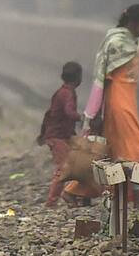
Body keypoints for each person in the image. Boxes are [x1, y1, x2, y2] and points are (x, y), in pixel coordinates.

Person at [64, 4, 139, 205]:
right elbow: (103, 78)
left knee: (111, 152)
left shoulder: (131, 41)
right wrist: (97, 110)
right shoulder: (117, 43)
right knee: (135, 148)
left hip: (128, 99)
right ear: (132, 23)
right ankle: (137, 194)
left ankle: (77, 190)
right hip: (118, 101)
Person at [37, 62, 83, 207]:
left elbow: (49, 114)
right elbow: (69, 112)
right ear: (78, 78)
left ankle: (72, 193)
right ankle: (52, 202)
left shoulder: (62, 91)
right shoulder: (67, 94)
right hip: (58, 136)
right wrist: (82, 117)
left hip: (62, 135)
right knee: (63, 168)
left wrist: (43, 133)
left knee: (79, 161)